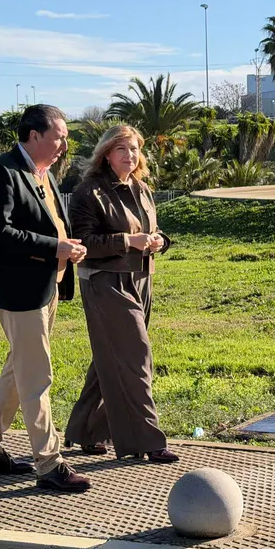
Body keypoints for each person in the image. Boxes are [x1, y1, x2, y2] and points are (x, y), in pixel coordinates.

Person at [0, 104, 92, 493]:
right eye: (59, 136)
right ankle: (49, 463)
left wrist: (68, 248)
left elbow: (50, 223)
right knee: (37, 376)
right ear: (34, 135)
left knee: (18, 371)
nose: (63, 144)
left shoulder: (45, 174)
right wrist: (54, 246)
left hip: (47, 287)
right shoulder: (3, 172)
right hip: (19, 291)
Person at [63, 124, 179, 463]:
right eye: (122, 150)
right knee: (135, 356)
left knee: (110, 358)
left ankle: (86, 429)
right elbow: (84, 244)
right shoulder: (89, 192)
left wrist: (160, 241)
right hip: (105, 282)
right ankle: (146, 439)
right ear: (106, 154)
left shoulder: (142, 188)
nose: (130, 156)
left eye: (134, 149)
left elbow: (150, 232)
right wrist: (129, 242)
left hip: (141, 279)